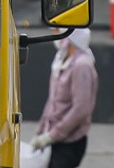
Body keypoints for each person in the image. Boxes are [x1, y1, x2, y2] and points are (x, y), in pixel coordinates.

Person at [31, 28, 97, 168]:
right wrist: (41, 130)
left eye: (58, 31)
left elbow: (81, 109)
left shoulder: (81, 66)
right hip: (53, 139)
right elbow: (52, 100)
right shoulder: (61, 60)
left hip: (69, 143)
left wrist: (52, 135)